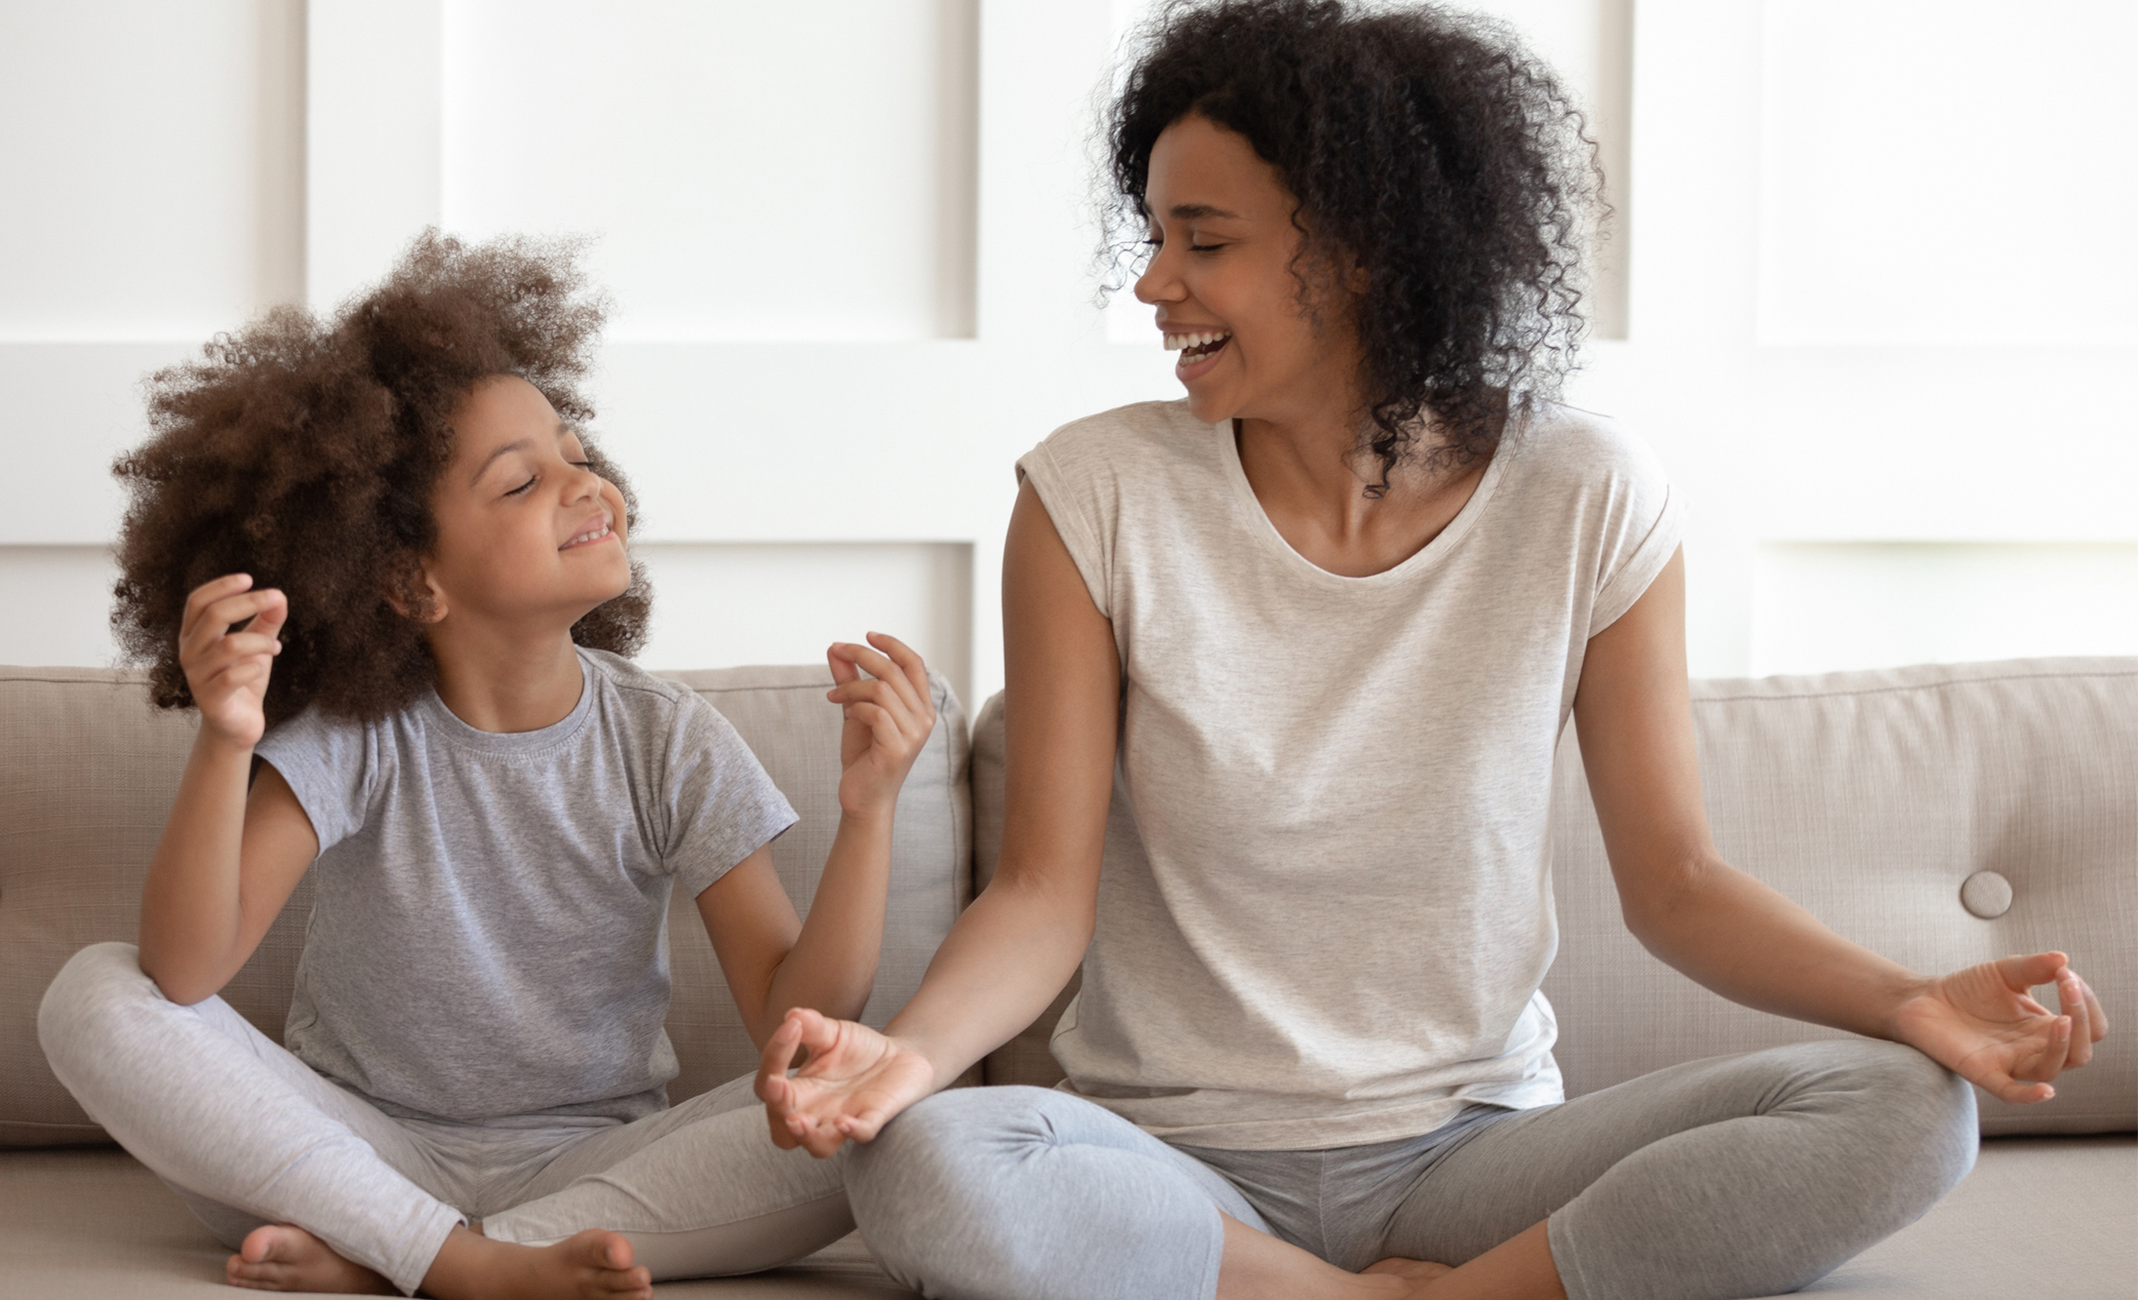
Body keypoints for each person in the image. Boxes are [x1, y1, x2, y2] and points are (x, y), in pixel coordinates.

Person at [753, 4, 2111, 1299]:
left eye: (1202, 241)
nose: (1154, 284)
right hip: (1172, 1165)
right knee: (924, 1157)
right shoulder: (1090, 495)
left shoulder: (1588, 495)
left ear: (1361, 250)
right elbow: (1043, 896)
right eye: (1155, 236)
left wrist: (1913, 999)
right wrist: (908, 1057)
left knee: (1906, 1107)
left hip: (1476, 1157)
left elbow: (1681, 883)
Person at [36, 233, 942, 1300]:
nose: (580, 480)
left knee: (883, 1104)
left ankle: (400, 1257)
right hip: (350, 1148)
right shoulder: (353, 736)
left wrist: (870, 807)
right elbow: (184, 972)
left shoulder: (668, 735)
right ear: (414, 582)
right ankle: (460, 1260)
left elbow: (793, 1034)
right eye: (520, 483)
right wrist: (226, 734)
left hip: (596, 1166)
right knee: (91, 993)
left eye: (572, 449)